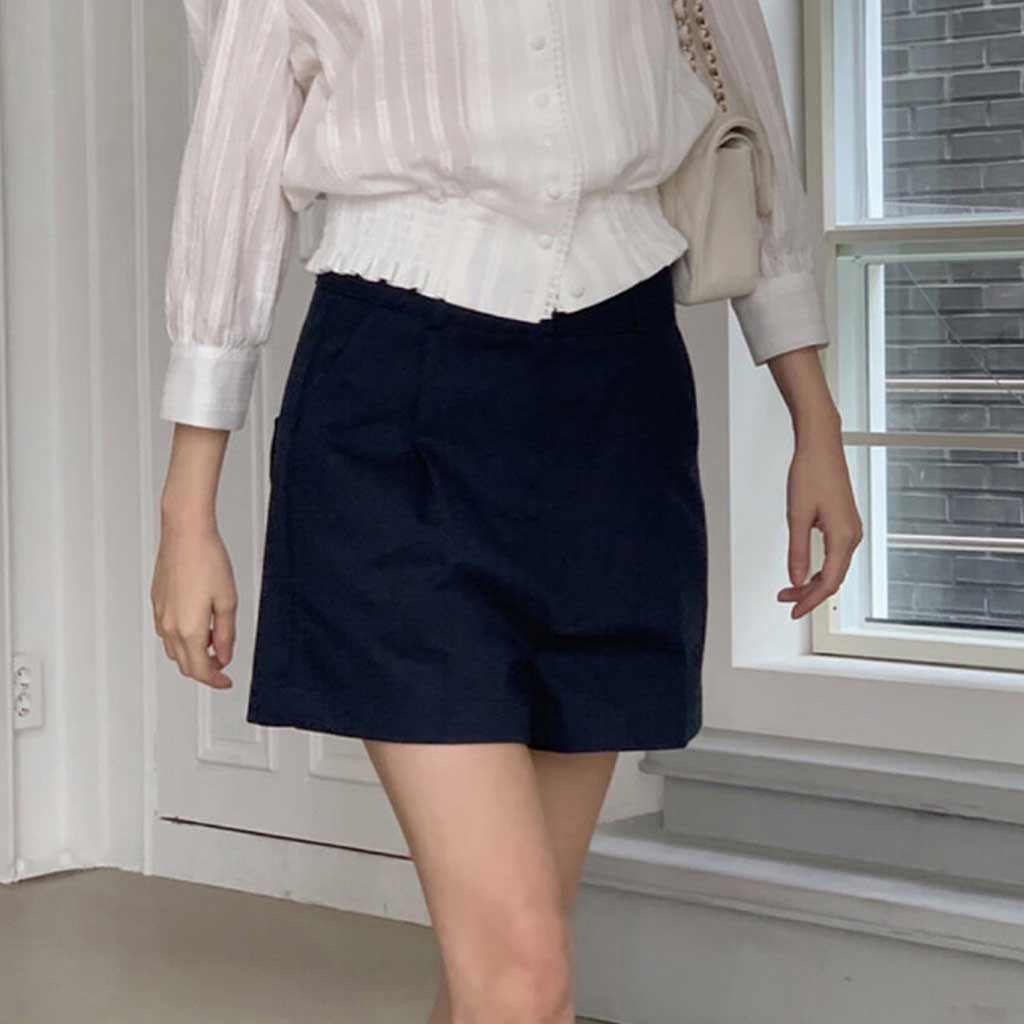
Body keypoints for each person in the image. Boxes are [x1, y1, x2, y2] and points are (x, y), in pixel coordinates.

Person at [150, 1, 863, 1021]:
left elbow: (749, 114)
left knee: (504, 972)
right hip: (395, 403)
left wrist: (814, 418)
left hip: (621, 406)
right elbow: (232, 168)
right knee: (522, 978)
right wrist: (189, 509)